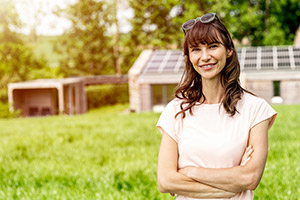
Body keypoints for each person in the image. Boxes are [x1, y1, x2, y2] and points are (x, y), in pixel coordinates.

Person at [156, 13, 277, 200]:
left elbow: (250, 177)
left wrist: (190, 171)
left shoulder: (255, 109)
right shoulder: (175, 111)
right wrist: (232, 186)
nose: (205, 57)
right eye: (196, 49)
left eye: (213, 46)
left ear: (229, 50)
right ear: (189, 56)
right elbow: (166, 181)